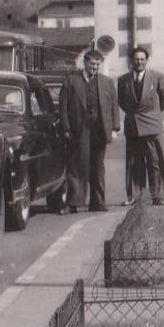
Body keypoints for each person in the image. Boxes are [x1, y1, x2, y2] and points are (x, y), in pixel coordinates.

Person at [59, 47, 119, 212]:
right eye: (92, 64)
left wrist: (114, 127)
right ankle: (74, 203)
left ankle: (98, 202)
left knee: (98, 166)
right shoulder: (71, 81)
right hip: (80, 129)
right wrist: (66, 128)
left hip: (100, 130)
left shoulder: (107, 82)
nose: (95, 68)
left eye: (98, 65)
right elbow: (63, 108)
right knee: (78, 166)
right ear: (85, 63)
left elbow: (113, 105)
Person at [117, 45, 164, 205]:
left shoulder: (157, 76)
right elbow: (122, 102)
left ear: (146, 61)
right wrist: (134, 115)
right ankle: (135, 196)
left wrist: (153, 114)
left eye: (142, 59)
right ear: (131, 61)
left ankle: (157, 195)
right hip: (133, 128)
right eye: (136, 59)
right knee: (134, 165)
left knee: (155, 163)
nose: (139, 62)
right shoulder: (123, 80)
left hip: (152, 127)